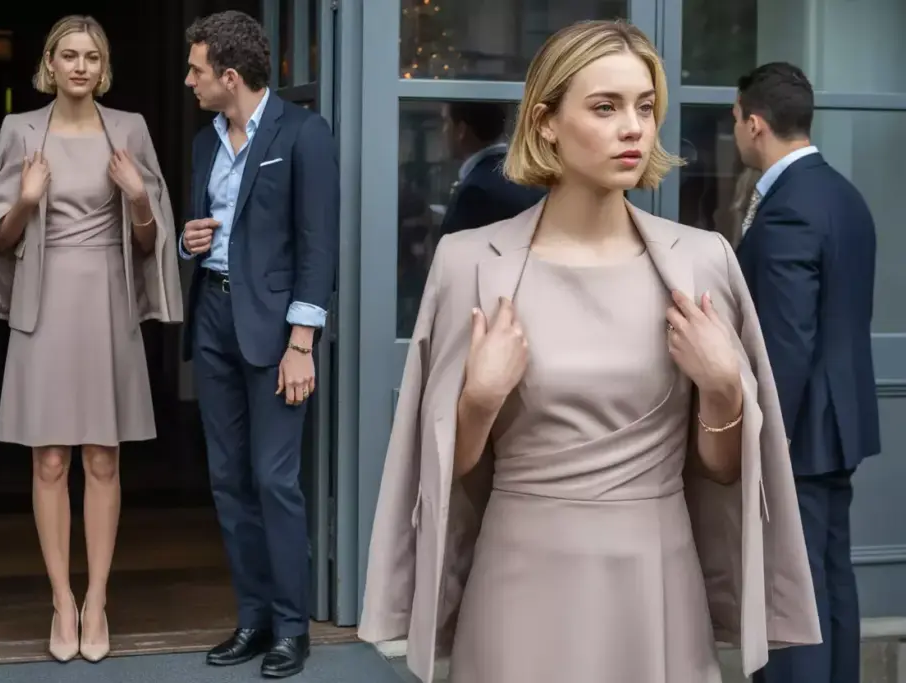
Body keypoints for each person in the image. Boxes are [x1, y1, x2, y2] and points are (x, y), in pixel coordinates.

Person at [358, 20, 821, 683]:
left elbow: (720, 470)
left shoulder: (703, 261)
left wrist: (723, 387)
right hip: (518, 579)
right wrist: (480, 399)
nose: (633, 127)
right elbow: (444, 468)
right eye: (605, 107)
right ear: (546, 122)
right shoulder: (470, 263)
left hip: (657, 581)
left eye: (644, 106)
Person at [0, 14, 183, 664]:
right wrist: (26, 200)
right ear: (50, 64)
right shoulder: (20, 130)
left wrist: (141, 196)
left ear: (102, 65)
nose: (80, 66)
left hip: (109, 305)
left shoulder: (131, 129)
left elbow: (149, 241)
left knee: (103, 458)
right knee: (50, 459)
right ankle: (62, 597)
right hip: (45, 306)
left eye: (91, 56)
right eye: (69, 55)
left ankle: (97, 598)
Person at [178, 11, 338, 679]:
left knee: (275, 479)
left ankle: (291, 628)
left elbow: (318, 243)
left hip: (276, 333)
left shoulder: (303, 134)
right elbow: (221, 229)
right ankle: (253, 618)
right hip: (212, 317)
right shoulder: (203, 143)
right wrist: (197, 238)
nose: (188, 80)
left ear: (230, 76)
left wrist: (301, 342)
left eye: (196, 70)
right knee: (228, 478)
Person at [733, 62, 881, 683]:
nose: (736, 133)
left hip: (799, 430)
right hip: (840, 421)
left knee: (791, 587)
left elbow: (788, 338)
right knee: (829, 575)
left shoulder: (789, 206)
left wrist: (771, 433)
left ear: (756, 123)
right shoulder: (843, 194)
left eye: (738, 122)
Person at [438, 101, 544, 236]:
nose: (443, 130)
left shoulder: (475, 192)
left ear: (461, 131)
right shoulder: (529, 178)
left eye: (446, 122)